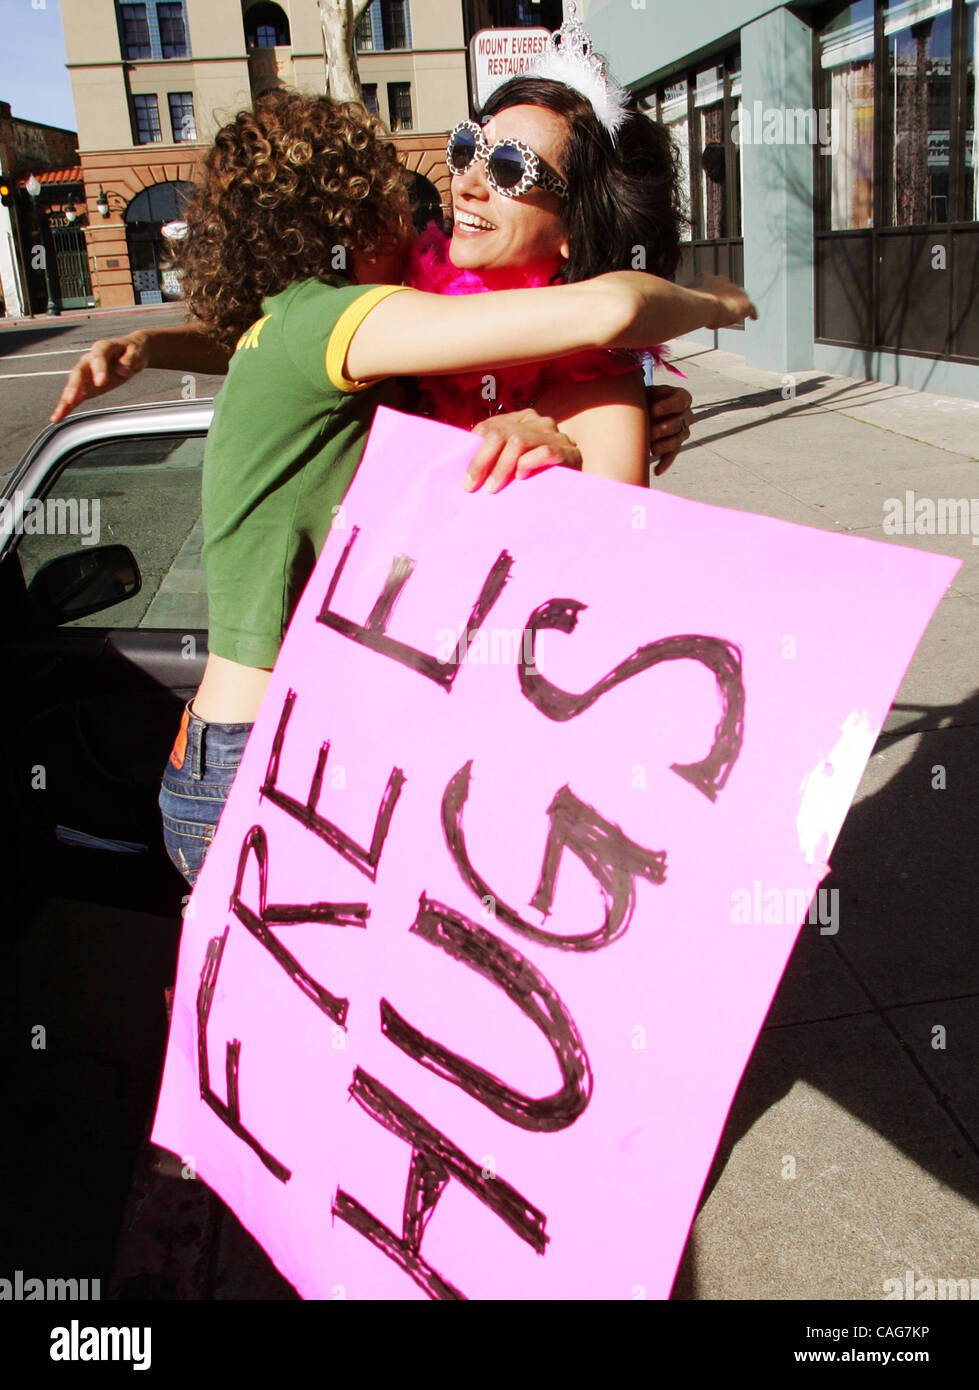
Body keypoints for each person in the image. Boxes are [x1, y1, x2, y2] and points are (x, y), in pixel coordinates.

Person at [50, 90, 754, 888]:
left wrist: (576, 446)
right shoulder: (363, 324)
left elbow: (589, 600)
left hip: (292, 743)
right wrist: (714, 303)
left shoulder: (331, 332)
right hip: (273, 753)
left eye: (510, 166)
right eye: (459, 155)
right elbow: (612, 306)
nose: (452, 195)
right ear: (346, 228)